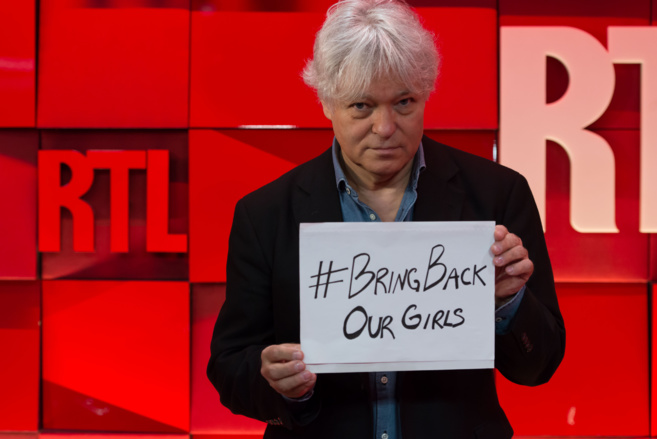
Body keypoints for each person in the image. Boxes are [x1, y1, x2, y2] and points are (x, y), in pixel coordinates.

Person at [207, 0, 565, 437]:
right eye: (362, 106)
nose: (385, 127)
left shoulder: (497, 194)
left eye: (404, 102)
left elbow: (539, 365)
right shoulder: (264, 215)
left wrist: (507, 303)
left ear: (425, 95)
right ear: (327, 103)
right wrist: (279, 384)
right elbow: (230, 367)